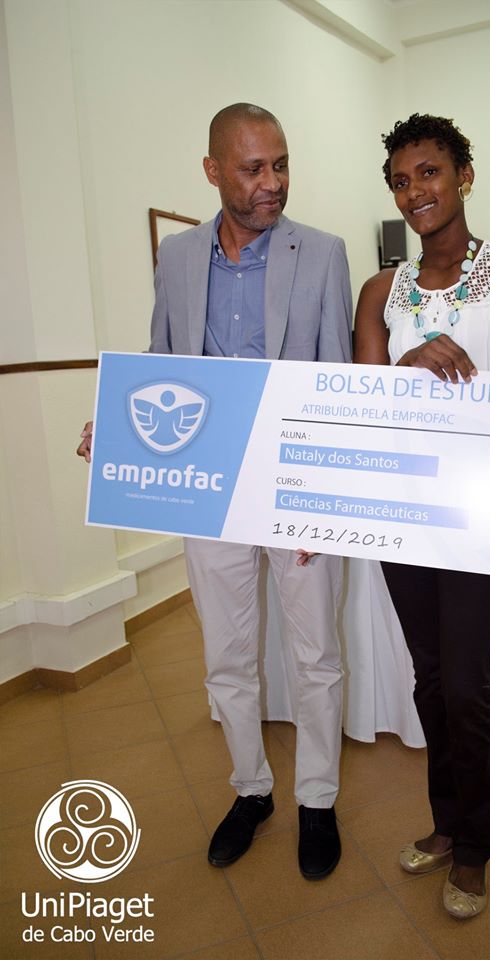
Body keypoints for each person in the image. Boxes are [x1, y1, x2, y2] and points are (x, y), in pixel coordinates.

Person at [77, 103, 352, 880]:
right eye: (253, 168)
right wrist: (118, 428)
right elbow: (163, 360)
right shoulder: (177, 257)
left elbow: (337, 377)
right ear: (212, 171)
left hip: (293, 483)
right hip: (207, 488)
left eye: (281, 164)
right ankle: (252, 790)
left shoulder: (322, 253)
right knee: (226, 653)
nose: (274, 182)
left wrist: (323, 499)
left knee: (316, 654)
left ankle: (318, 799)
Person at [353, 113, 490, 919]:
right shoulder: (382, 292)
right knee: (431, 678)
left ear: (465, 175)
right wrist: (407, 363)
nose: (415, 192)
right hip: (405, 512)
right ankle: (446, 824)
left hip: (482, 513)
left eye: (430, 172)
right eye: (400, 181)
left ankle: (475, 848)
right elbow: (368, 408)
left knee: (469, 682)